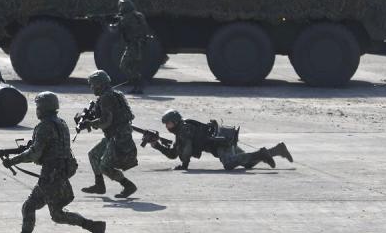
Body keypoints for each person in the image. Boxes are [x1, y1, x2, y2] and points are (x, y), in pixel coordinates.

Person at [0, 92, 107, 233]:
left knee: (29, 207)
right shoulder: (61, 123)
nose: (37, 110)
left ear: (43, 107)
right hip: (61, 173)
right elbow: (52, 147)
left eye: (38, 106)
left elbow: (35, 153)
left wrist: (13, 160)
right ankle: (94, 226)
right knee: (57, 214)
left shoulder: (44, 126)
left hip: (51, 175)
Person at [147, 110, 292, 170]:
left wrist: (184, 165)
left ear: (175, 121)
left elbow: (187, 150)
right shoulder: (183, 129)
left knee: (229, 164)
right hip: (224, 138)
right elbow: (174, 154)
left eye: (168, 123)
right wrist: (157, 145)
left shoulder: (184, 130)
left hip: (222, 143)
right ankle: (278, 150)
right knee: (247, 163)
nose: (167, 126)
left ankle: (262, 154)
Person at [81, 70, 139, 199]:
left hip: (118, 138)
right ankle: (99, 185)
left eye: (93, 85)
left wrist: (89, 123)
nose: (92, 88)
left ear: (100, 85)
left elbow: (106, 121)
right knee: (93, 155)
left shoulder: (107, 98)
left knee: (104, 166)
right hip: (115, 136)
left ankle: (128, 185)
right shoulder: (115, 94)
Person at [113, 0, 150, 94]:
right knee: (134, 67)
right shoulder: (138, 15)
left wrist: (107, 24)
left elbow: (116, 30)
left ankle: (140, 83)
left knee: (124, 65)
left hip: (133, 45)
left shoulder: (127, 18)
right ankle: (137, 87)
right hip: (140, 44)